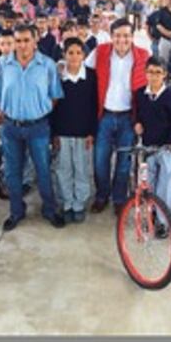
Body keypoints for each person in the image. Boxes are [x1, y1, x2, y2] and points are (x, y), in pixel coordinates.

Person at [0, 23, 66, 231]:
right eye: (18, 41)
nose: (22, 45)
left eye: (26, 40)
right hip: (11, 128)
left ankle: (49, 210)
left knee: (43, 170)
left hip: (38, 127)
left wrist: (38, 110)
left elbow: (55, 96)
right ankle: (16, 211)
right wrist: (6, 112)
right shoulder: (3, 65)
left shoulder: (48, 65)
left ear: (35, 41)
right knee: (12, 172)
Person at [85, 18, 149, 214]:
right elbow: (86, 75)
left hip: (128, 118)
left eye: (127, 35)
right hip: (104, 116)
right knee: (100, 161)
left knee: (123, 163)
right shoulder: (100, 52)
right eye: (118, 35)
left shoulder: (143, 55)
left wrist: (141, 120)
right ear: (111, 36)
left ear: (133, 36)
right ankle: (102, 195)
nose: (122, 39)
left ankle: (119, 199)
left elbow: (148, 88)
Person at [50, 38, 98, 223]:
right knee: (63, 169)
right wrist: (53, 133)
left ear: (84, 55)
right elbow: (54, 107)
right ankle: (67, 202)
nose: (74, 56)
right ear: (64, 55)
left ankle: (79, 204)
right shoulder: (58, 77)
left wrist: (92, 132)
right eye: (70, 53)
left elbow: (94, 106)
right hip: (62, 132)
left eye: (78, 53)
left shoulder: (91, 76)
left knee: (82, 169)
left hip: (83, 133)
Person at [133, 57, 171, 227]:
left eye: (158, 73)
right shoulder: (140, 94)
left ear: (165, 75)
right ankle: (150, 213)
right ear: (145, 73)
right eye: (150, 72)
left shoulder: (169, 96)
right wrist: (137, 124)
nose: (154, 76)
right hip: (148, 146)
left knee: (165, 184)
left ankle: (163, 221)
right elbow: (138, 115)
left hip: (166, 146)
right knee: (149, 183)